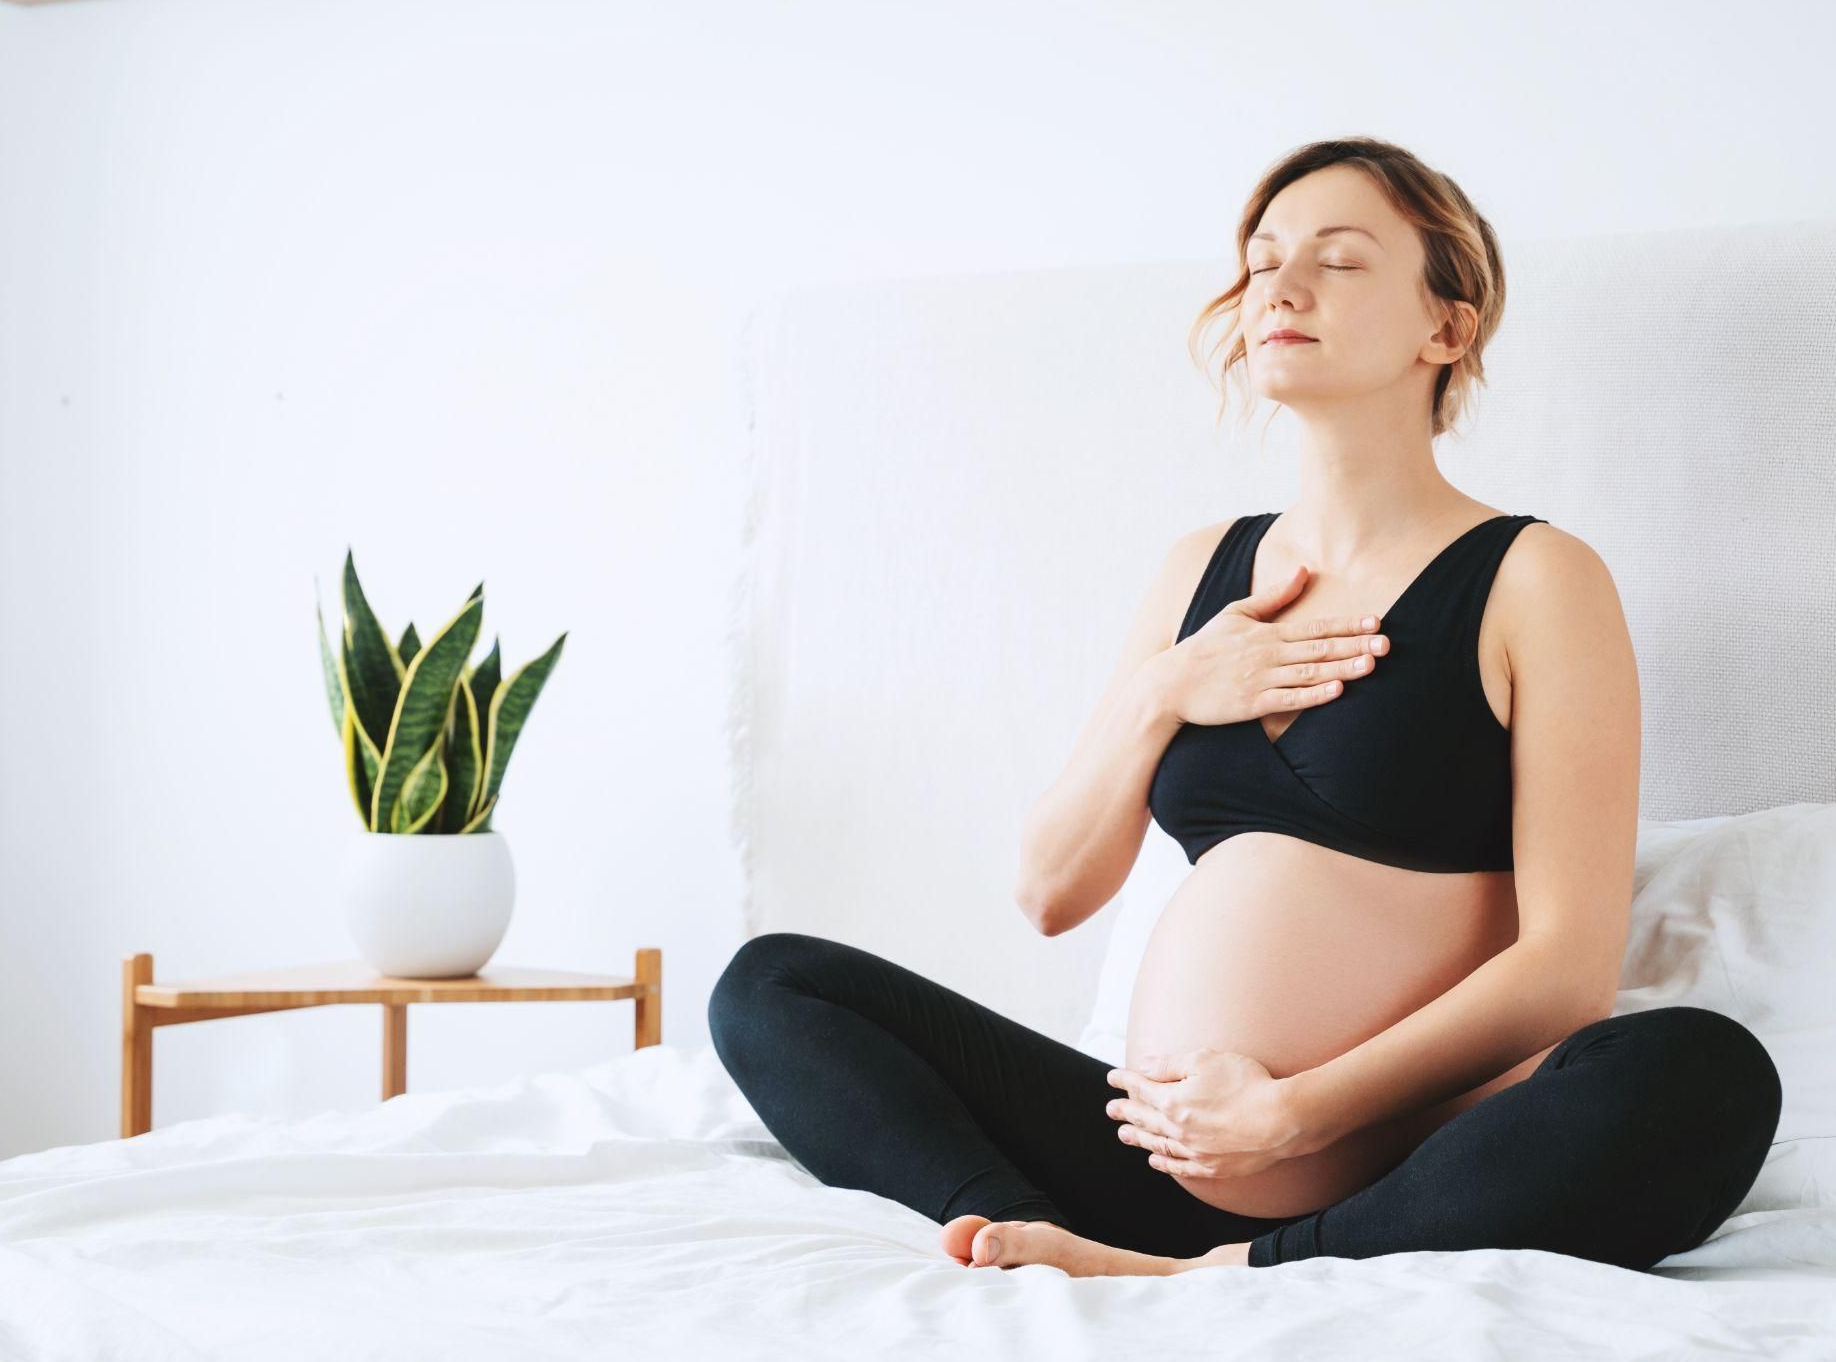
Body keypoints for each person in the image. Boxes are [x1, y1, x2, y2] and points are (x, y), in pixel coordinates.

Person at [708, 136, 1782, 1277]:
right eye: (1262, 259)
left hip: (1410, 1170)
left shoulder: (1534, 578)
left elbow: (1564, 967)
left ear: (1445, 328)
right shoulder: (1197, 573)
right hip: (1155, 1150)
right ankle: (1021, 1236)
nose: (1278, 284)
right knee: (771, 986)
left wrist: (1297, 1112)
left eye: (1338, 260)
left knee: (1702, 1073)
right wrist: (1166, 690)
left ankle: (1224, 1277)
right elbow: (1048, 892)